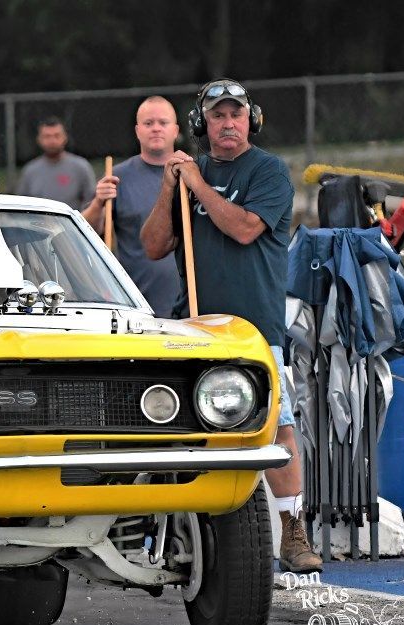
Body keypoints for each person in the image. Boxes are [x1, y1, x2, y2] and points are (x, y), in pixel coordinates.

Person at [139, 78, 320, 574]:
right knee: (184, 432)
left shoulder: (268, 172)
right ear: (203, 123)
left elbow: (243, 229)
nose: (227, 124)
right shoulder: (185, 175)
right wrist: (169, 189)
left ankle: (292, 530)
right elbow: (154, 246)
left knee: (277, 428)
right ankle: (174, 527)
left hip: (255, 328)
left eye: (235, 115)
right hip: (193, 327)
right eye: (217, 116)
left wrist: (198, 185)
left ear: (250, 120)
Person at [81, 96, 182, 316]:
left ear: (175, 130)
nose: (155, 129)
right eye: (148, 123)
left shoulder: (192, 175)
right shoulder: (116, 177)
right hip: (136, 306)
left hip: (190, 303)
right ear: (137, 131)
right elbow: (85, 234)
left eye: (163, 123)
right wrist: (99, 203)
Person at [14, 117, 96, 210]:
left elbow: (91, 202)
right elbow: (21, 206)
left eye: (57, 135)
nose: (52, 141)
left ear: (65, 137)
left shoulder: (81, 167)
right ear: (39, 139)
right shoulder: (30, 171)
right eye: (47, 136)